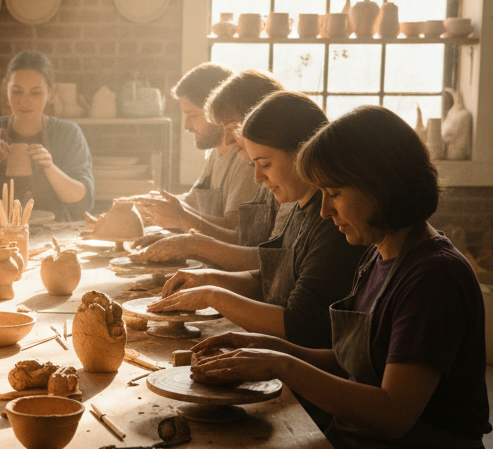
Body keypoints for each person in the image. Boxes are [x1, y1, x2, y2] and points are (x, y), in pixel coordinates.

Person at [108, 105, 493, 449]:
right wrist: (263, 346)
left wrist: (282, 363)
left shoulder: (433, 278)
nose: (326, 209)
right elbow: (351, 358)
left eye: (334, 193)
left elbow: (393, 413)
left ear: (381, 186)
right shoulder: (381, 254)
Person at [148, 91, 365, 350]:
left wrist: (213, 296)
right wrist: (208, 279)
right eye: (254, 165)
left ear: (304, 152)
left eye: (265, 164)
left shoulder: (334, 221)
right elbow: (270, 278)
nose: (258, 178)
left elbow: (300, 326)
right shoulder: (301, 206)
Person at [131, 69, 288, 267]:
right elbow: (193, 202)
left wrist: (186, 232)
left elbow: (244, 242)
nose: (227, 140)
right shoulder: (221, 153)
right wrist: (150, 209)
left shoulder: (249, 163)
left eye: (192, 115)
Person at [0, 50, 94, 222]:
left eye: (35, 93)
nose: (25, 101)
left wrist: (50, 168)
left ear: (50, 92)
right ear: (6, 89)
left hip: (53, 231)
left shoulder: (68, 133)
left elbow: (84, 203)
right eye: (17, 92)